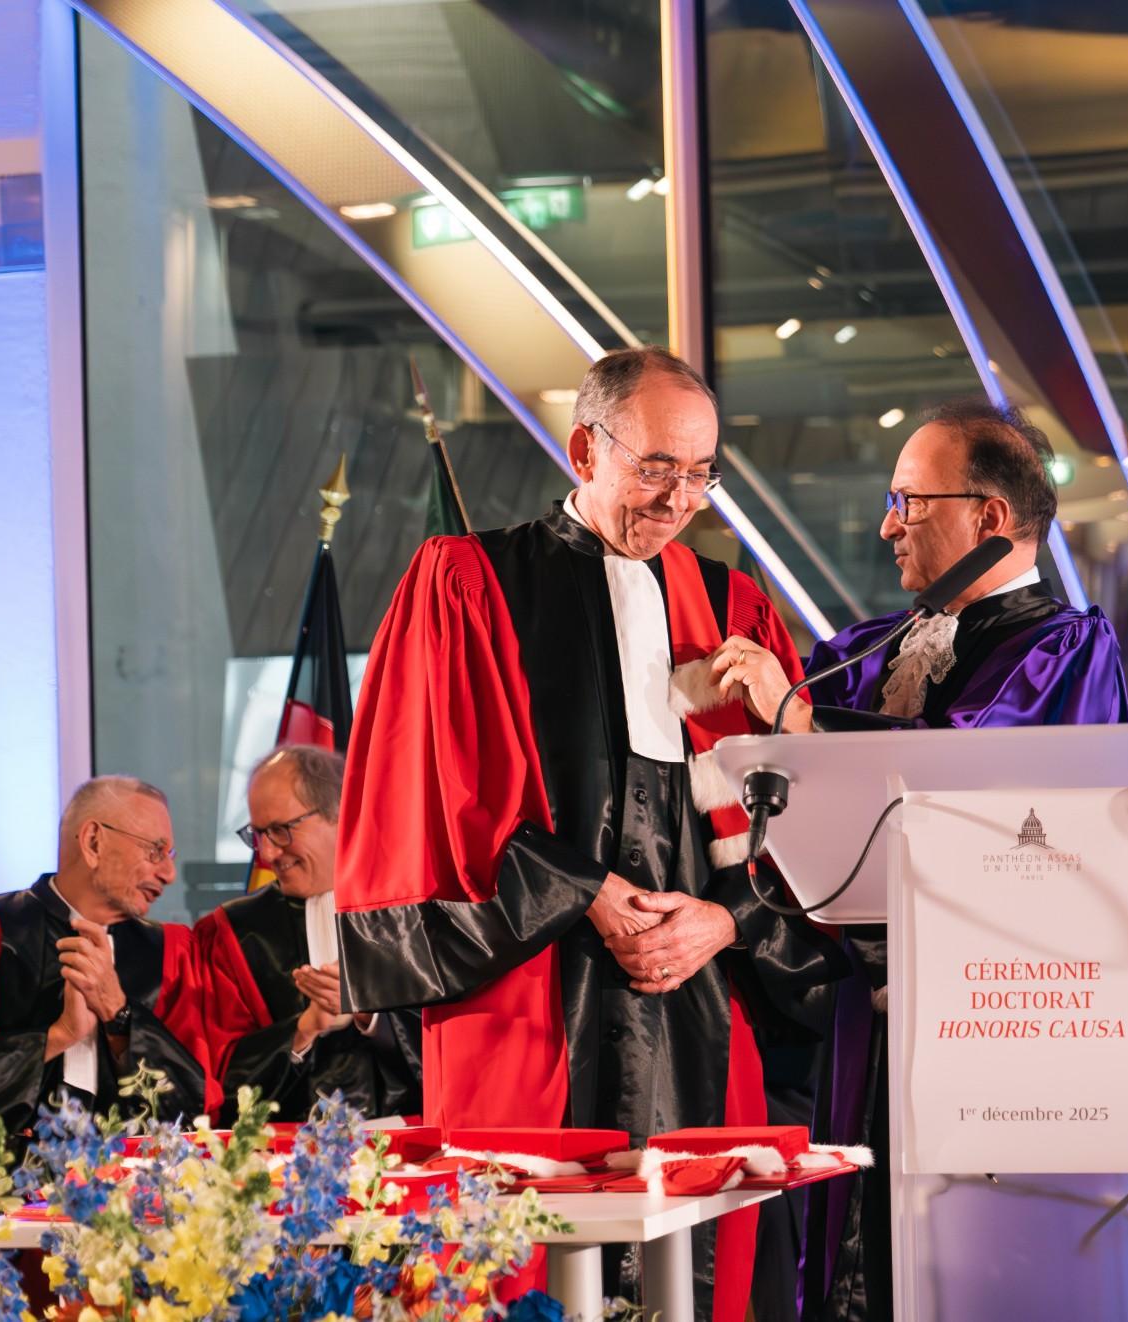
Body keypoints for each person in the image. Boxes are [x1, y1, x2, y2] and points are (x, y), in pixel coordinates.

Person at [333, 345, 845, 1322]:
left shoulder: (732, 608)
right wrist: (587, 891)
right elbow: (434, 795)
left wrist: (724, 921)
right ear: (584, 449)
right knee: (518, 1261)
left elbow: (804, 822)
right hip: (529, 986)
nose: (680, 498)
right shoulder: (471, 581)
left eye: (701, 474)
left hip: (696, 999)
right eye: (657, 467)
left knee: (697, 1262)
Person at [707, 398, 1128, 1321]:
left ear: (990, 517)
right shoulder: (864, 653)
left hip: (996, 1028)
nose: (887, 525)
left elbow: (963, 777)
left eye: (909, 501)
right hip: (854, 1022)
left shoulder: (1064, 650)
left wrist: (798, 721)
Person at [0, 777, 209, 1151]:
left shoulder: (171, 952)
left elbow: (192, 1107)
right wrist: (58, 1035)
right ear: (93, 842)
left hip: (131, 1179)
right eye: (154, 851)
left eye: (170, 855)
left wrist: (120, 1015)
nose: (169, 874)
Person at [194, 746, 421, 1124]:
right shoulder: (236, 933)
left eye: (280, 831)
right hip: (283, 1148)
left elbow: (463, 1049)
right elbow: (220, 1080)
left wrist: (369, 1012)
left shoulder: (413, 908)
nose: (267, 853)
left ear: (340, 814)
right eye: (258, 834)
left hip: (413, 1140)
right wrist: (305, 1028)